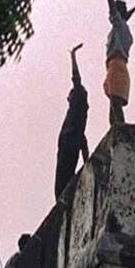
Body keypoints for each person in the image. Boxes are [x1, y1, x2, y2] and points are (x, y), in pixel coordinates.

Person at [55, 43, 89, 200]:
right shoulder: (79, 117)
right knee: (65, 182)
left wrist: (73, 57)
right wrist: (88, 162)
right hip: (70, 144)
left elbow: (76, 79)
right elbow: (84, 143)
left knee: (61, 184)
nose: (67, 98)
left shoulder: (76, 106)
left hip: (68, 144)